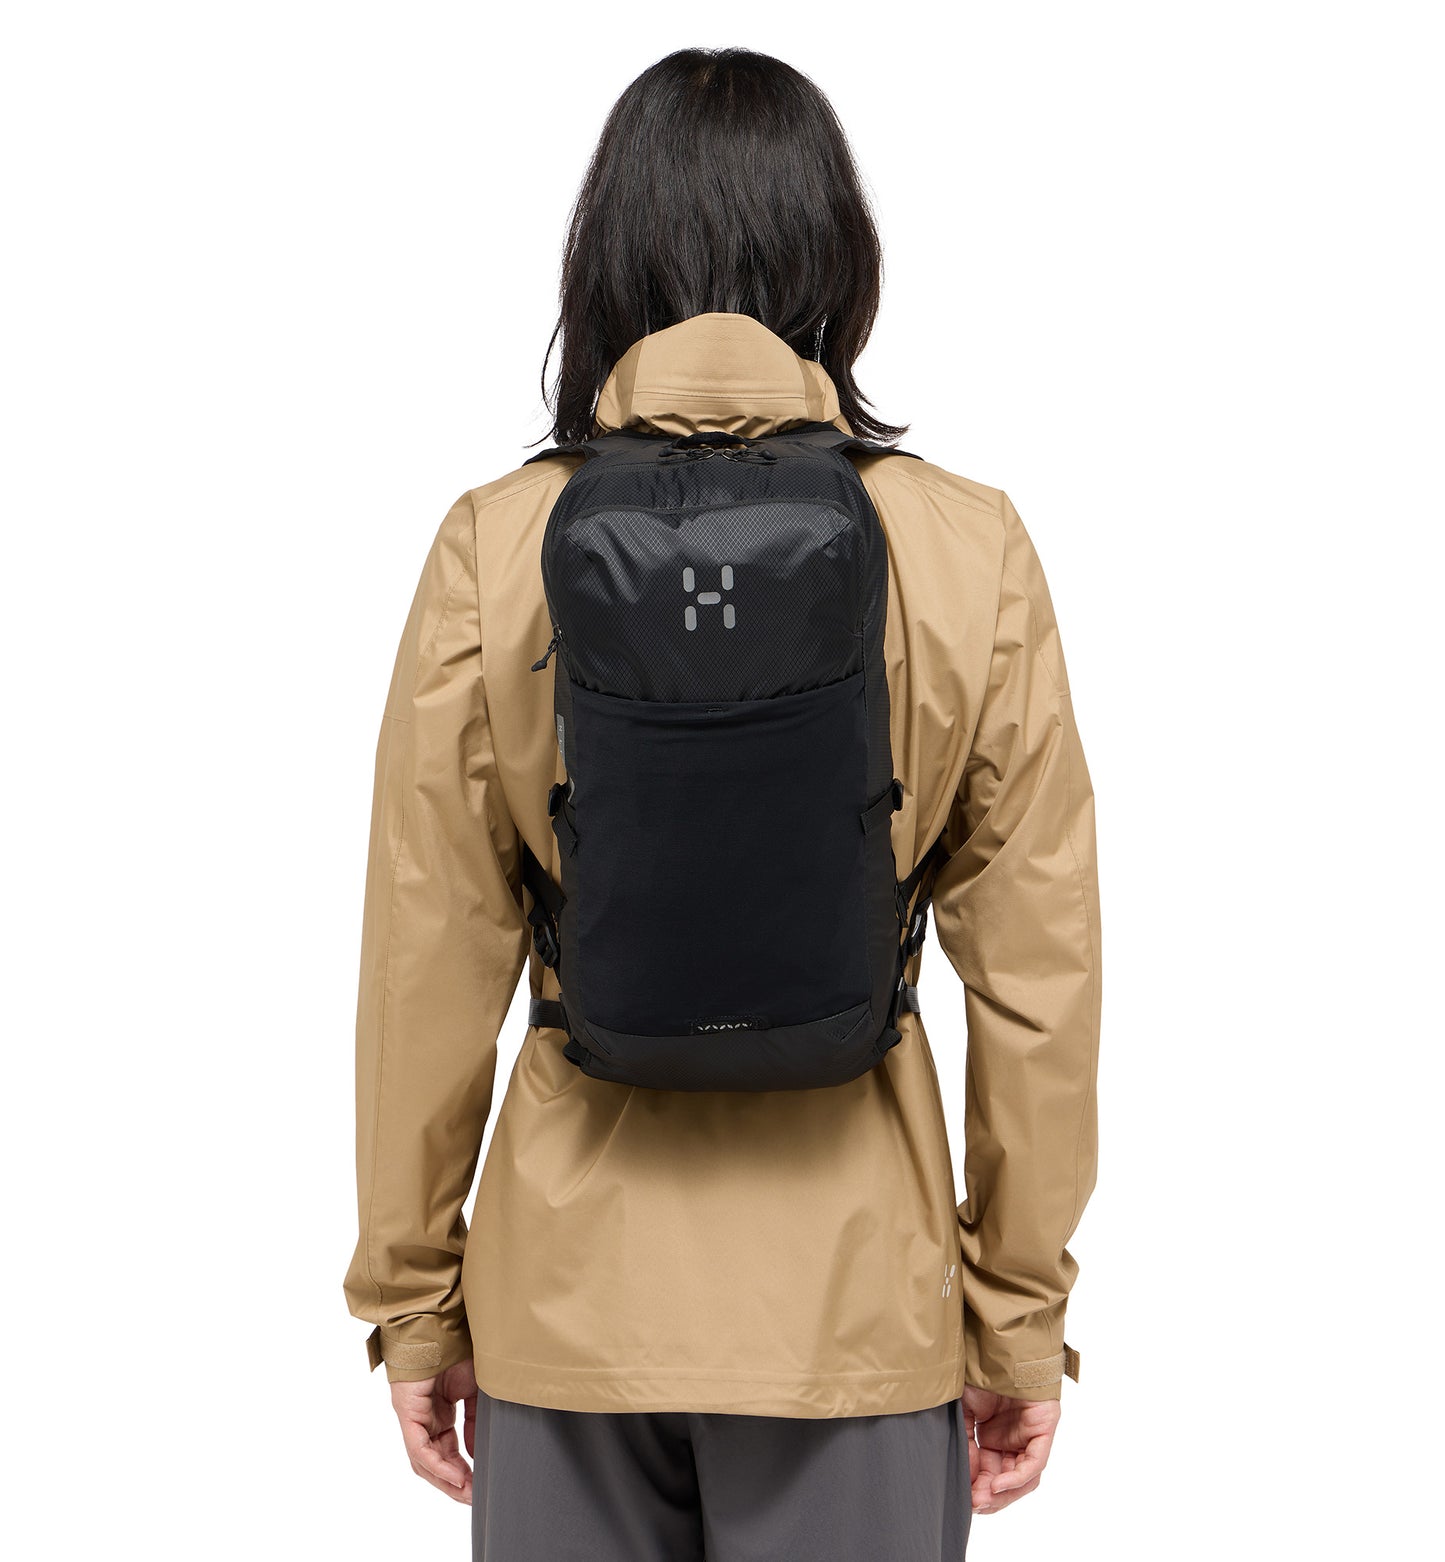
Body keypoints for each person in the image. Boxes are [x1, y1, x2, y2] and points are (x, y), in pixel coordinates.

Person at [344, 47, 1100, 1562]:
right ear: (841, 260)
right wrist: (1015, 1317)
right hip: (857, 1310)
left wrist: (415, 1301)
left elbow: (427, 957)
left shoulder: (498, 543)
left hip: (567, 1309)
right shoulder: (964, 546)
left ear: (604, 261)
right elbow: (1039, 981)